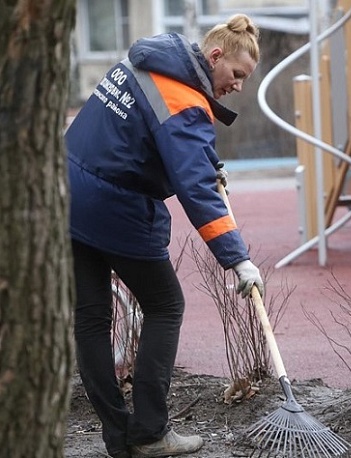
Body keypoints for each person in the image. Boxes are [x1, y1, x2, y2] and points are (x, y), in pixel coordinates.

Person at [66, 14, 265, 458]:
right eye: (236, 75)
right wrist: (236, 258)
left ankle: (119, 437)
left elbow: (135, 133)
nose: (237, 86)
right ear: (215, 56)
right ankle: (151, 433)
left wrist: (201, 157)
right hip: (114, 207)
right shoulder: (184, 102)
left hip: (69, 194)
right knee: (165, 305)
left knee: (91, 318)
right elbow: (196, 189)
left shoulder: (143, 62)